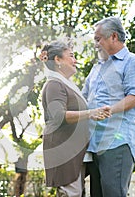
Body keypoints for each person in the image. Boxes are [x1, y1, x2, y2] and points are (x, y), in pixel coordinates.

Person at [82, 16, 135, 197]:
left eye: (98, 39)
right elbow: (83, 98)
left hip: (117, 142)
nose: (96, 44)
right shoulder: (97, 68)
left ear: (113, 37)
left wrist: (109, 110)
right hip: (95, 144)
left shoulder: (133, 62)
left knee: (114, 193)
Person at [40, 40, 111, 197]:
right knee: (71, 194)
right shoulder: (54, 84)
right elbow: (59, 116)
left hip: (74, 152)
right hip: (64, 152)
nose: (75, 60)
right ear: (57, 60)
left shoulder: (67, 85)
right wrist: (90, 113)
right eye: (71, 56)